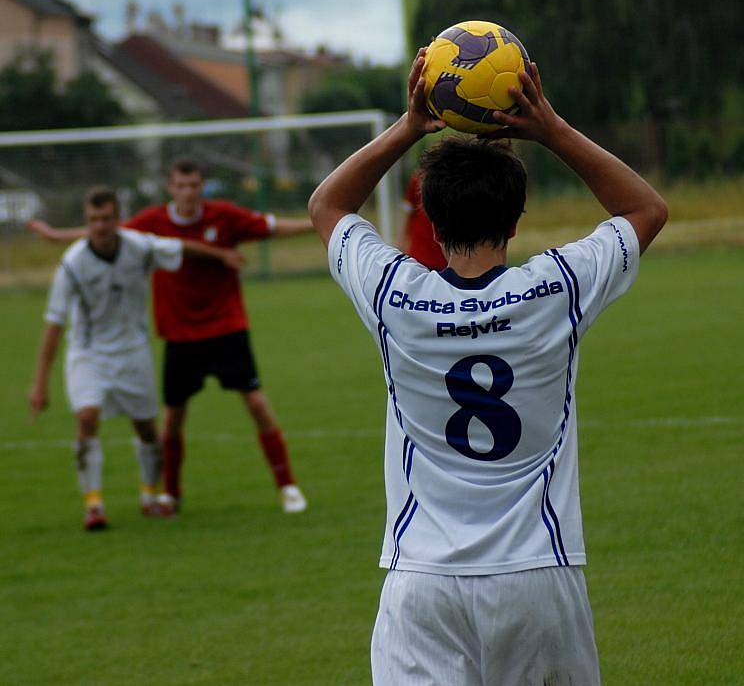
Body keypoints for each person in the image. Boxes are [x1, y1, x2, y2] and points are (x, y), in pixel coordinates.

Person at [308, 49, 667, 684]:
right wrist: (548, 127)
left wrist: (410, 124)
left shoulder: (396, 295)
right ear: (518, 214)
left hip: (422, 582)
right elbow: (644, 210)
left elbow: (328, 208)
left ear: (429, 219)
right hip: (538, 575)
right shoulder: (559, 287)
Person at [29, 159, 312, 514]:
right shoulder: (151, 223)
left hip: (226, 327)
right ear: (170, 188)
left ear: (202, 187)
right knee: (173, 418)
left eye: (194, 185)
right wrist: (57, 236)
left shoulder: (223, 216)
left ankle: (287, 486)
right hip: (179, 335)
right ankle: (170, 495)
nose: (188, 192)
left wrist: (320, 221)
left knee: (256, 404)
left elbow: (272, 227)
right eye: (181, 186)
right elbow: (105, 232)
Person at [29, 187, 243, 530]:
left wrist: (220, 255)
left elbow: (179, 247)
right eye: (93, 220)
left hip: (133, 350)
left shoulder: (138, 246)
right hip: (89, 354)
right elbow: (53, 325)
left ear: (118, 219)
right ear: (87, 221)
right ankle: (93, 504)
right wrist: (40, 383)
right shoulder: (72, 264)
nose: (100, 226)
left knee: (146, 427)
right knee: (87, 417)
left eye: (107, 218)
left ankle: (149, 494)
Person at [399, 170, 447, 270]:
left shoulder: (456, 180)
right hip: (420, 255)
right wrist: (401, 243)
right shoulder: (418, 178)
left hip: (445, 258)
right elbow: (407, 214)